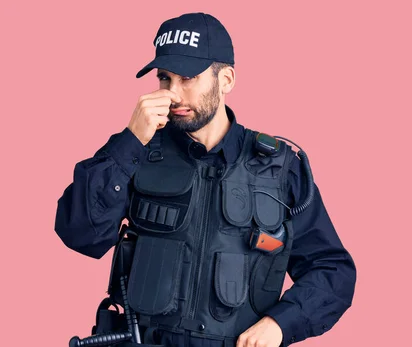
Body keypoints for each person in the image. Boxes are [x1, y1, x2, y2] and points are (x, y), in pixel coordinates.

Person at [55, 12, 356, 347]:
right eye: (165, 79)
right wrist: (129, 142)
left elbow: (332, 270)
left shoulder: (279, 167)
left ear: (225, 80)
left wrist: (280, 324)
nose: (174, 95)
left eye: (188, 78)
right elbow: (80, 234)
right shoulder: (136, 150)